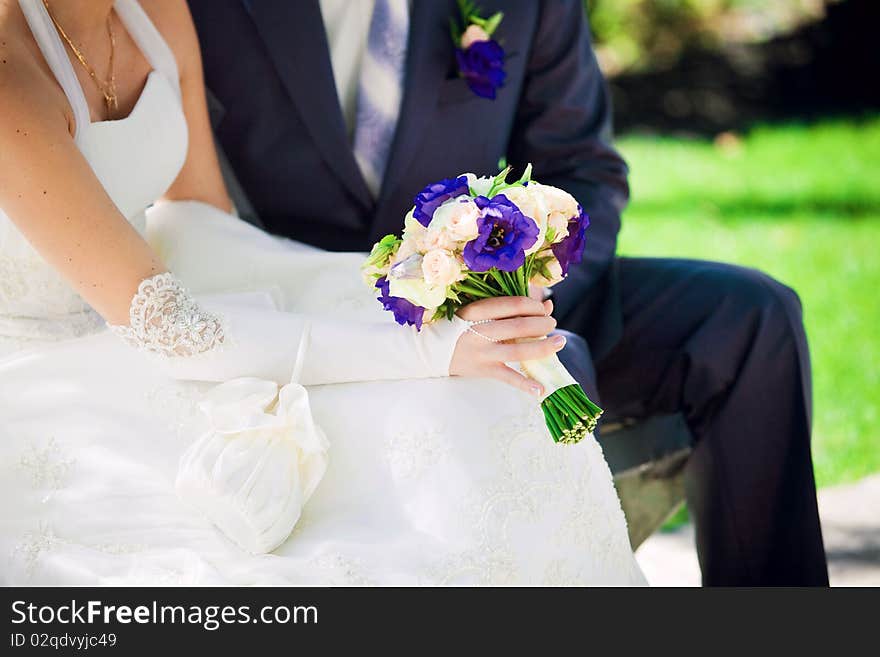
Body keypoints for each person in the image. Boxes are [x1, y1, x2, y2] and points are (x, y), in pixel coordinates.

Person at [0, 0, 645, 585]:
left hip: (180, 304)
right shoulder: (9, 72)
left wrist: (417, 290)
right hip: (67, 366)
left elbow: (204, 221)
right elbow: (171, 328)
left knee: (472, 399)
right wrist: (423, 351)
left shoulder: (156, 11)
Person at [188, 0, 829, 585]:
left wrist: (523, 303)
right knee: (552, 368)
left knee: (751, 317)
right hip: (317, 320)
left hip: (509, 293)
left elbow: (582, 168)